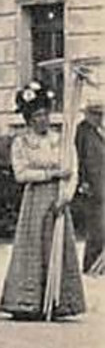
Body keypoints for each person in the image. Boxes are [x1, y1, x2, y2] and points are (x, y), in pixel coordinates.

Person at [0, 82, 86, 320]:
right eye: (37, 116)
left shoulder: (62, 140)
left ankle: (60, 301)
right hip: (35, 199)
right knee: (33, 246)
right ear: (28, 118)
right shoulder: (22, 143)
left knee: (57, 244)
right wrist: (50, 174)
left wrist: (65, 197)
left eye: (45, 114)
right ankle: (27, 302)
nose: (42, 120)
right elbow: (21, 174)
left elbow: (73, 170)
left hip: (57, 199)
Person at [75, 99, 104, 275]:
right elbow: (78, 158)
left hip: (102, 183)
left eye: (101, 114)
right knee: (96, 227)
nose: (99, 117)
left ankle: (100, 265)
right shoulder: (82, 131)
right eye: (95, 113)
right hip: (91, 185)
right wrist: (82, 182)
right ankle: (91, 264)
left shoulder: (99, 131)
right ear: (87, 114)